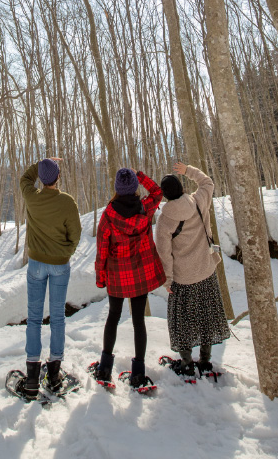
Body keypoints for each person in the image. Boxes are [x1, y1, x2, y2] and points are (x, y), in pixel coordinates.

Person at [91, 167, 165, 390]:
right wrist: (140, 175)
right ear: (134, 187)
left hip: (117, 275)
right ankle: (138, 373)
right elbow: (158, 193)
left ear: (116, 188)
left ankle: (104, 369)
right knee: (138, 320)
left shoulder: (108, 215)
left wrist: (100, 276)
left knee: (113, 317)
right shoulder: (145, 208)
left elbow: (102, 250)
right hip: (140, 275)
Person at [155, 161, 230, 379]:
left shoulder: (165, 219)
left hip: (182, 278)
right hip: (206, 270)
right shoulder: (198, 201)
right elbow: (207, 182)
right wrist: (188, 170)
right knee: (206, 315)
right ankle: (205, 362)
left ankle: (187, 364)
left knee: (182, 320)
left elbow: (164, 254)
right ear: (182, 188)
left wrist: (167, 280)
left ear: (165, 196)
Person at [16, 156, 82, 400]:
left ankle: (32, 378)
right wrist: (66, 252)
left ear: (42, 180)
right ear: (58, 178)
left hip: (35, 265)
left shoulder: (32, 198)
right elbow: (75, 234)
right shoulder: (67, 202)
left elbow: (25, 178)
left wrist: (41, 164)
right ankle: (54, 375)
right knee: (57, 317)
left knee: (34, 318)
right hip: (59, 265)